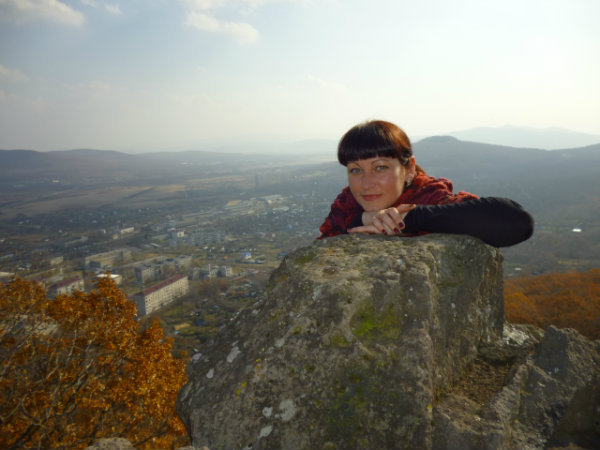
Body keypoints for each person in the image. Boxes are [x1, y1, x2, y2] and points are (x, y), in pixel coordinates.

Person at [319, 120, 534, 247]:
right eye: (355, 170)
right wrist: (364, 219)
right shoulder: (345, 207)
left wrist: (408, 218)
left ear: (409, 169)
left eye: (380, 167)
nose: (366, 183)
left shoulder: (431, 199)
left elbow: (516, 222)